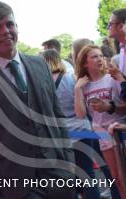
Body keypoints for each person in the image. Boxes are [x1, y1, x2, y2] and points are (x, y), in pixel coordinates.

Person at [0, 2, 75, 198]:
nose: (5, 31)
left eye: (9, 24)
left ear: (17, 26)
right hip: (17, 185)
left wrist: (68, 165)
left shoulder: (40, 64)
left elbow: (58, 116)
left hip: (58, 174)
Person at [42, 49, 101, 198]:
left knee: (69, 178)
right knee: (88, 174)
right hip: (82, 130)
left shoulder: (42, 85)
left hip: (60, 135)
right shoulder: (72, 79)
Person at [74, 45, 126, 198]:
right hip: (102, 135)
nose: (101, 59)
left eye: (101, 56)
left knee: (124, 175)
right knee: (116, 178)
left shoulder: (112, 78)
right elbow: (80, 114)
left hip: (120, 131)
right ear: (85, 63)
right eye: (95, 56)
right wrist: (77, 90)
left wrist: (109, 106)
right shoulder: (83, 85)